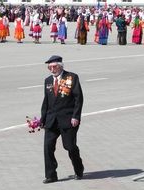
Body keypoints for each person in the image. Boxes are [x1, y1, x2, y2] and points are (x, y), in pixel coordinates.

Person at [40, 55, 84, 184]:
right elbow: (46, 101)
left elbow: (78, 99)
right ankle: (51, 175)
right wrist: (42, 119)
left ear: (60, 66)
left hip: (68, 120)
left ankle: (78, 169)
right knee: (48, 147)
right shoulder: (48, 80)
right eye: (50, 67)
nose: (52, 70)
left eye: (54, 67)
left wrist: (76, 116)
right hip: (51, 120)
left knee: (69, 147)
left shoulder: (72, 77)